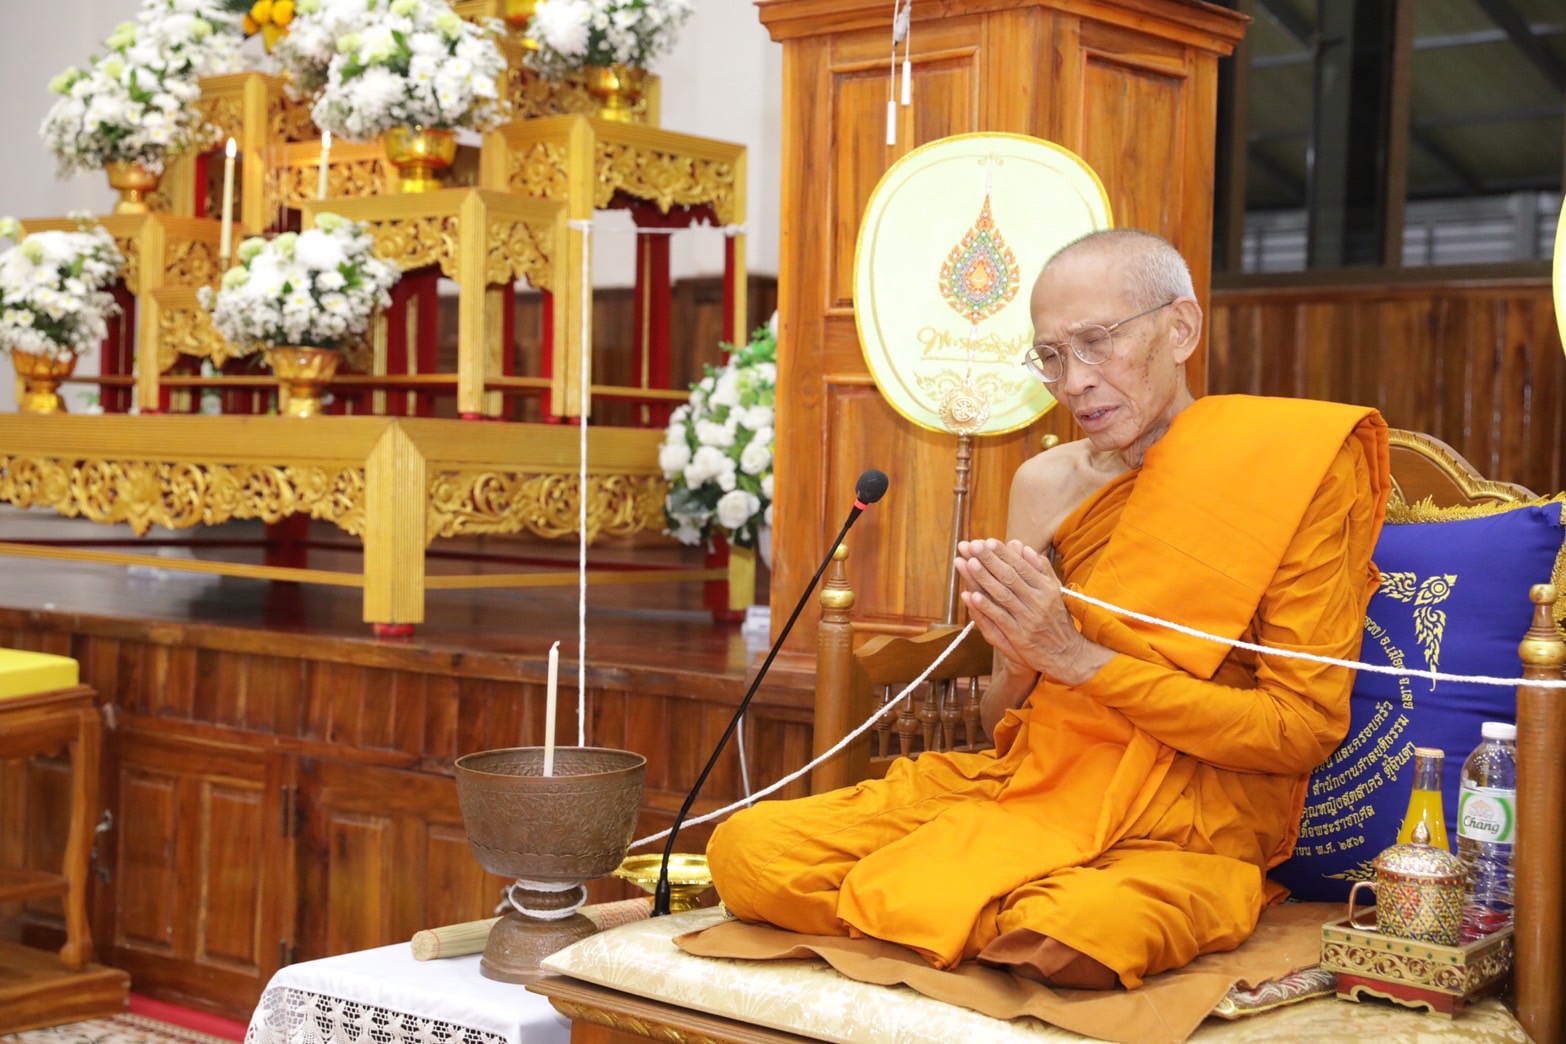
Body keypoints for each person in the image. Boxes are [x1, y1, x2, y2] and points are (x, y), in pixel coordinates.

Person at [706, 228, 1391, 990]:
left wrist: (1078, 658)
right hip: (1028, 787)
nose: (1073, 383)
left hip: (1186, 820)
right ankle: (988, 908)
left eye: (1097, 343)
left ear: (1182, 329)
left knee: (1080, 931)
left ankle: (968, 905)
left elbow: (1299, 732)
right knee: (749, 850)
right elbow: (1006, 717)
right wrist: (1026, 654)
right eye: (1053, 356)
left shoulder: (1290, 469)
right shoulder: (1044, 484)